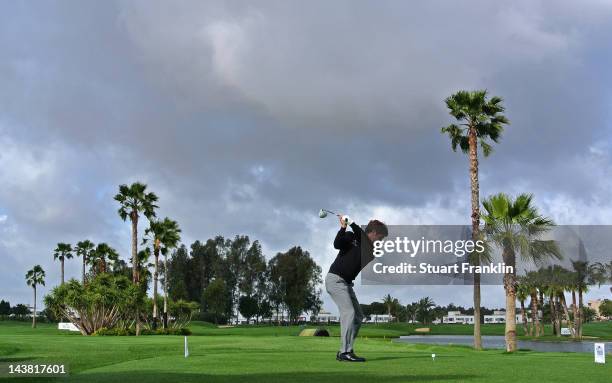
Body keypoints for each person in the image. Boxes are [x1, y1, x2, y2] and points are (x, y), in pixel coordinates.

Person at [325, 215, 388, 362]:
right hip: (335, 279)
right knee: (349, 312)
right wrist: (343, 227)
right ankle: (344, 352)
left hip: (346, 284)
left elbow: (363, 241)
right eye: (380, 237)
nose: (381, 241)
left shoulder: (371, 250)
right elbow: (337, 244)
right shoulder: (351, 235)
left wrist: (352, 223)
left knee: (358, 316)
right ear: (373, 232)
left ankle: (347, 349)